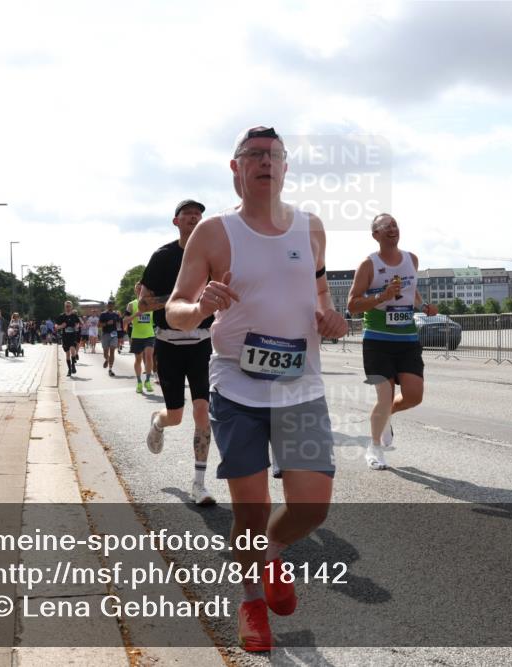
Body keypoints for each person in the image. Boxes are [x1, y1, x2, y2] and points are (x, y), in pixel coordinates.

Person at [166, 126, 347, 652]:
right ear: (236, 167)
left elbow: (318, 292)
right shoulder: (215, 233)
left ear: (286, 168)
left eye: (275, 155)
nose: (265, 162)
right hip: (237, 386)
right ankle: (250, 601)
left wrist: (329, 317)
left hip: (301, 385)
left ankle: (270, 553)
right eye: (254, 155)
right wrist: (199, 307)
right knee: (248, 507)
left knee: (312, 507)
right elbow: (176, 309)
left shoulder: (311, 229)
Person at [140, 198, 218, 508]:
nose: (193, 218)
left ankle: (199, 483)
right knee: (175, 415)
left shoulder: (214, 255)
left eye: (198, 215)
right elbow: (143, 305)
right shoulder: (163, 256)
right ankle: (158, 423)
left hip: (201, 343)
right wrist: (179, 300)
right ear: (176, 222)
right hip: (169, 344)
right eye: (187, 215)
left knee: (203, 412)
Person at [347, 213, 437, 470]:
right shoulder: (369, 264)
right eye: (385, 226)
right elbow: (352, 304)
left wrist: (423, 305)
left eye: (394, 224)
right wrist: (381, 297)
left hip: (407, 339)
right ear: (375, 234)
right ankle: (374, 449)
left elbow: (411, 289)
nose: (391, 229)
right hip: (377, 340)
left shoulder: (412, 259)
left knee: (414, 396)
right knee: (384, 396)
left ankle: (385, 417)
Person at [129, 283, 156, 394]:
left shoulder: (152, 304)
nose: (140, 290)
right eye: (138, 289)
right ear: (135, 291)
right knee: (138, 360)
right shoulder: (131, 305)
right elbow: (125, 320)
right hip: (137, 336)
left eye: (142, 289)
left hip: (149, 334)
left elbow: (156, 321)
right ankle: (139, 382)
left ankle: (148, 381)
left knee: (149, 356)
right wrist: (135, 315)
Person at [55, 301, 82, 377]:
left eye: (69, 306)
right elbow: (56, 326)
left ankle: (73, 365)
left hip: (73, 335)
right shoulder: (62, 316)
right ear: (65, 307)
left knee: (73, 350)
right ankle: (69, 369)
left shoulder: (74, 316)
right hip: (65, 336)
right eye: (67, 306)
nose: (68, 308)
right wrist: (61, 326)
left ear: (71, 307)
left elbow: (78, 323)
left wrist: (76, 326)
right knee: (67, 354)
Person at [98, 300, 122, 376]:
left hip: (114, 334)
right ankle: (107, 359)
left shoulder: (116, 314)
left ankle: (110, 369)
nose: (110, 306)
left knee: (112, 351)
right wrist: (106, 323)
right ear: (107, 305)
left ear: (113, 306)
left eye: (112, 304)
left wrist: (119, 325)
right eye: (109, 304)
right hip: (105, 334)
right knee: (105, 353)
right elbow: (98, 325)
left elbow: (119, 325)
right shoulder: (103, 314)